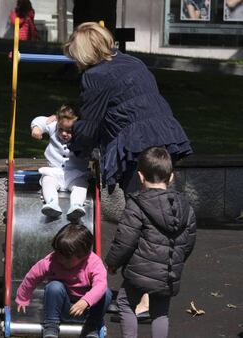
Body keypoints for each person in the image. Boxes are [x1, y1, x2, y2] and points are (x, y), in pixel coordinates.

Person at [63, 22, 193, 318]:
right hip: (164, 137)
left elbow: (91, 123)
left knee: (142, 220)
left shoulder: (95, 76)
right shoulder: (132, 62)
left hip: (136, 146)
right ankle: (146, 293)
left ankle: (144, 300)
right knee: (160, 218)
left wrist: (76, 150)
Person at [105, 147, 197, 338]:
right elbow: (189, 241)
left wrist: (113, 262)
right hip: (169, 272)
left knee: (125, 303)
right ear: (171, 177)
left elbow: (125, 239)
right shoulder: (186, 207)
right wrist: (178, 259)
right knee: (160, 313)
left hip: (139, 271)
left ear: (140, 176)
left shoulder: (137, 204)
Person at [16, 223, 112, 338]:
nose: (59, 258)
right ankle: (51, 325)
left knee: (106, 293)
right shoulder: (52, 261)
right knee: (54, 287)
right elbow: (32, 277)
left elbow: (100, 284)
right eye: (58, 253)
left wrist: (86, 301)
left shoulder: (93, 262)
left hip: (87, 311)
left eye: (65, 257)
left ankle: (91, 327)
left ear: (83, 256)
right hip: (63, 308)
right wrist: (23, 297)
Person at [31, 104, 90, 220]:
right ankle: (52, 203)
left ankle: (76, 206)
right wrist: (36, 128)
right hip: (54, 171)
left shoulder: (82, 134)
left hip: (75, 174)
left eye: (69, 131)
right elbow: (41, 120)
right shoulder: (54, 126)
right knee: (47, 181)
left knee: (81, 186)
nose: (63, 133)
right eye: (61, 129)